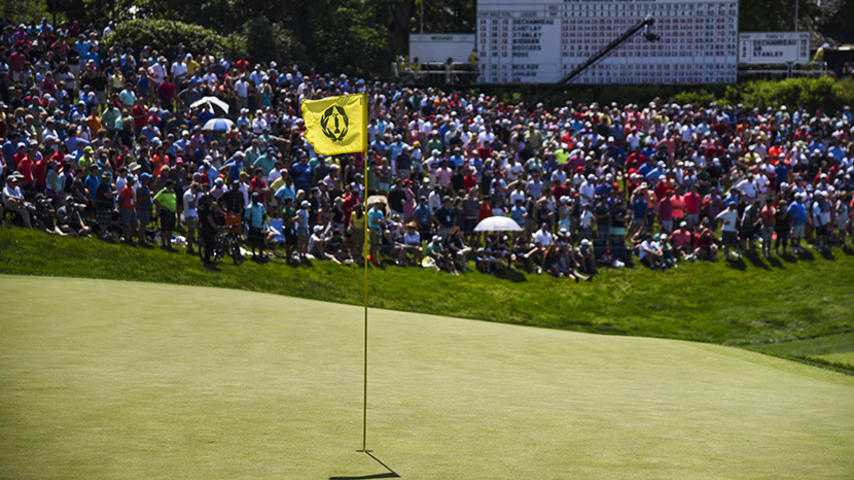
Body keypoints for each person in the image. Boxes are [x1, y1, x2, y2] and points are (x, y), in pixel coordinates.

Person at [153, 179, 177, 250]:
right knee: (164, 228)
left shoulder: (173, 192)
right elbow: (155, 200)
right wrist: (161, 207)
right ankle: (163, 243)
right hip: (165, 212)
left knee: (170, 228)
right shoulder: (163, 192)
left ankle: (169, 243)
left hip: (172, 212)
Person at [245, 191, 267, 259]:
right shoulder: (249, 207)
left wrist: (263, 221)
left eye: (257, 198)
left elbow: (264, 213)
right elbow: (247, 217)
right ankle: (253, 253)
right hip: (253, 226)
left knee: (261, 241)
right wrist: (250, 224)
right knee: (253, 241)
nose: (256, 199)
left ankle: (260, 254)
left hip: (260, 226)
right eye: (255, 198)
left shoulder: (261, 205)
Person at [198, 193, 218, 264]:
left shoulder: (202, 207)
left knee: (207, 244)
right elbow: (210, 219)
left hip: (202, 226)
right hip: (208, 228)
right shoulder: (208, 208)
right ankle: (207, 259)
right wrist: (216, 227)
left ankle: (206, 258)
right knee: (209, 244)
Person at [118, 174, 138, 244]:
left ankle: (130, 237)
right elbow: (121, 199)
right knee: (127, 224)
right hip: (126, 208)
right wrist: (120, 207)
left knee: (134, 223)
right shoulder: (125, 189)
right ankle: (126, 237)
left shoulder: (131, 188)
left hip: (132, 207)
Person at [183, 181, 200, 254]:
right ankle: (189, 248)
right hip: (189, 215)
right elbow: (191, 205)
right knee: (191, 231)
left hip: (194, 214)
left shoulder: (192, 194)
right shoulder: (188, 194)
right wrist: (196, 196)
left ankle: (190, 243)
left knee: (194, 231)